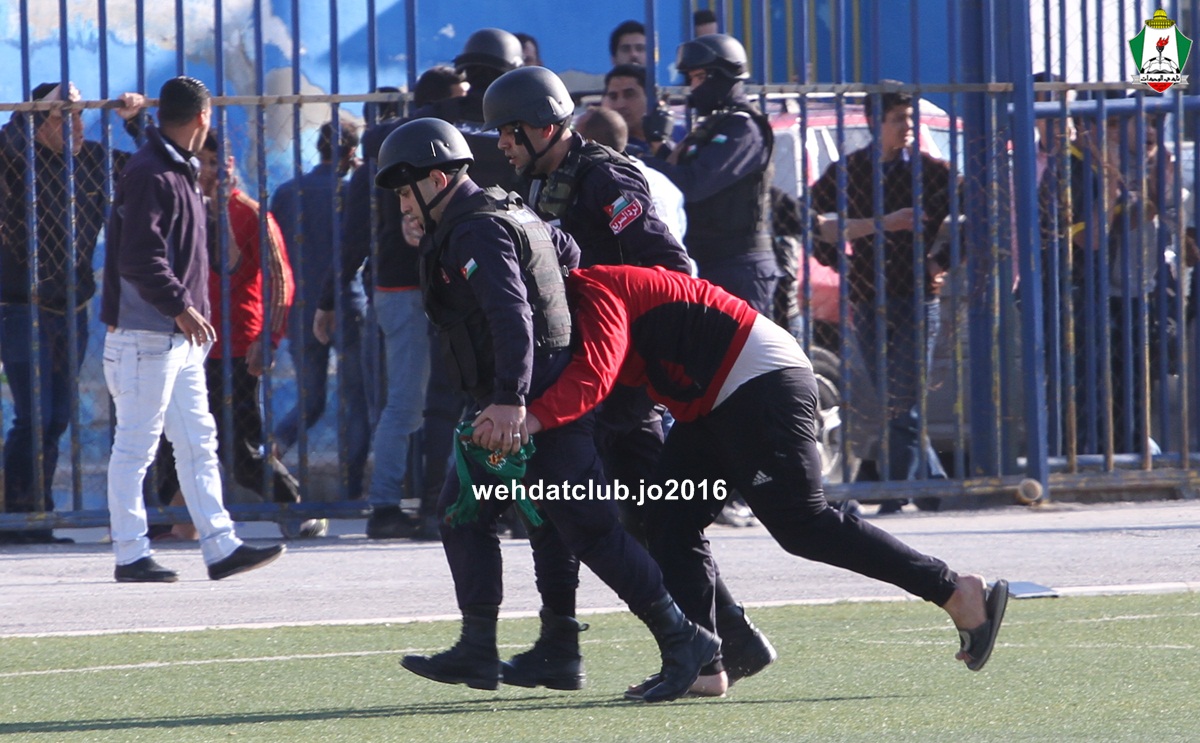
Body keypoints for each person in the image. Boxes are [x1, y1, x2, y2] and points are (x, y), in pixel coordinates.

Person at [507, 263, 1010, 697]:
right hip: (715, 400)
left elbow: (593, 378)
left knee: (802, 524)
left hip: (759, 381)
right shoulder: (583, 300)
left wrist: (523, 421)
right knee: (666, 519)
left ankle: (953, 589)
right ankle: (707, 666)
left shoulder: (594, 292)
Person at [376, 117, 718, 703]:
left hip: (527, 406)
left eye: (408, 192)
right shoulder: (501, 210)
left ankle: (685, 638)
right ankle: (494, 647)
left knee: (588, 529)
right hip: (519, 400)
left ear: (437, 179)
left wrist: (511, 400)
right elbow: (566, 253)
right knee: (471, 514)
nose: (404, 206)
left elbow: (511, 314)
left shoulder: (476, 228)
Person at [101, 75, 285, 583]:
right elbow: (139, 257)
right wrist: (182, 306)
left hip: (174, 340)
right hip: (146, 336)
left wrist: (183, 317)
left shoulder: (173, 167)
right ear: (203, 117)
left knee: (199, 443)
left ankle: (221, 546)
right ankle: (130, 554)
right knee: (135, 447)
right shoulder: (153, 172)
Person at [0, 82, 146, 544]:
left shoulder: (93, 160)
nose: (78, 125)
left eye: (81, 114)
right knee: (34, 416)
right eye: (64, 116)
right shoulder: (13, 160)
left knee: (58, 416)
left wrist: (138, 123)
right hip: (19, 309)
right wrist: (33, 112)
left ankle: (36, 516)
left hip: (72, 308)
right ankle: (18, 518)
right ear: (35, 120)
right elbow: (8, 142)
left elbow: (155, 167)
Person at [809, 83, 958, 513]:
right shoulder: (851, 170)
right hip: (868, 296)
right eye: (897, 119)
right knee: (892, 398)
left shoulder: (933, 172)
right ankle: (934, 486)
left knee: (902, 398)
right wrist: (838, 259)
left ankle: (894, 492)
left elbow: (981, 218)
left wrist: (942, 260)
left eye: (910, 118)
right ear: (875, 123)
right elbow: (805, 214)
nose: (907, 127)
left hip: (917, 297)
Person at [640, 34, 781, 318]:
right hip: (709, 260)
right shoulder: (714, 125)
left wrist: (642, 163)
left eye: (700, 77)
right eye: (691, 78)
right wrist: (660, 146)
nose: (694, 87)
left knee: (739, 347)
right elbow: (684, 174)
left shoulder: (743, 129)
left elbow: (693, 184)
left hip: (739, 265)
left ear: (724, 75)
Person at [272, 121, 373, 506]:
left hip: (300, 307)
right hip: (346, 303)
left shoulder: (286, 193)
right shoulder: (349, 192)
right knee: (357, 401)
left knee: (310, 399)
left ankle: (274, 448)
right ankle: (351, 489)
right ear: (351, 153)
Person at [574, 106, 687, 247]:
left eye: (574, 137)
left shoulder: (603, 184)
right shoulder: (662, 181)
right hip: (680, 259)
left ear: (589, 142)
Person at [601, 63, 654, 158]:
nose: (620, 105)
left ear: (650, 97)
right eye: (613, 96)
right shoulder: (602, 150)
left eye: (629, 95)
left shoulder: (676, 137)